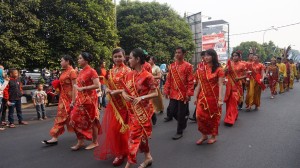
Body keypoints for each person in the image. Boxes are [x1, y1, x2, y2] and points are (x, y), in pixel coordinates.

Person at [121, 48, 158, 168]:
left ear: (137, 59)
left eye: (131, 58)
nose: (129, 60)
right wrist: (125, 95)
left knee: (133, 136)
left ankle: (129, 163)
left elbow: (155, 93)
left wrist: (142, 98)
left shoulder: (148, 76)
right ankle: (148, 157)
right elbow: (123, 90)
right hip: (132, 110)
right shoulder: (129, 75)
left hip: (143, 110)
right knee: (141, 136)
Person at [94, 48, 131, 167]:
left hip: (125, 105)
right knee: (114, 129)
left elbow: (130, 89)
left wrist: (117, 91)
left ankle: (126, 151)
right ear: (112, 58)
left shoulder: (128, 71)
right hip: (114, 105)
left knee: (124, 130)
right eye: (115, 57)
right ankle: (120, 152)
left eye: (120, 56)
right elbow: (107, 85)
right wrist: (108, 90)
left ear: (124, 57)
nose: (117, 59)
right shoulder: (110, 71)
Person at [42, 55, 77, 145]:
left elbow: (75, 87)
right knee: (61, 117)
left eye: (62, 61)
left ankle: (85, 133)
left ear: (68, 61)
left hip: (70, 99)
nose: (60, 62)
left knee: (75, 118)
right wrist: (57, 91)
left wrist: (74, 100)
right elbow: (62, 85)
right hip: (63, 98)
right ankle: (54, 137)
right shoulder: (64, 72)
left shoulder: (72, 72)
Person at [70, 52, 101, 150]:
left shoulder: (92, 71)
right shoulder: (81, 71)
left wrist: (83, 88)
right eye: (78, 58)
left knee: (92, 121)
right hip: (80, 100)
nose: (78, 60)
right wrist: (74, 99)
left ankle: (95, 142)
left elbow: (97, 85)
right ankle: (81, 141)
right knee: (74, 119)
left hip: (90, 100)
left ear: (86, 60)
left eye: (80, 58)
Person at [194, 49, 224, 144]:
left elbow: (220, 85)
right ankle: (204, 135)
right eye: (205, 55)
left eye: (208, 55)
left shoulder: (219, 69)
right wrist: (195, 97)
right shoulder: (201, 69)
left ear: (213, 57)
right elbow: (199, 84)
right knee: (199, 116)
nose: (206, 57)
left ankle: (213, 136)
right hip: (202, 97)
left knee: (212, 117)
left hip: (213, 98)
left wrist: (220, 99)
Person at [164, 47, 194, 140]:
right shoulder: (172, 66)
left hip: (183, 93)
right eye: (176, 52)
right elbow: (169, 79)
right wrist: (166, 90)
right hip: (173, 92)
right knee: (172, 111)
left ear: (184, 54)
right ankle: (183, 121)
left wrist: (189, 93)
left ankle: (179, 131)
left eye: (179, 53)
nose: (177, 54)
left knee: (181, 113)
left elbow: (190, 81)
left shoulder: (188, 66)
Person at [223, 52, 246, 126]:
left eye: (236, 56)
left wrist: (239, 78)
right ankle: (233, 115)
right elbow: (224, 74)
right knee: (229, 102)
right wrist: (225, 71)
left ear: (239, 57)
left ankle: (229, 120)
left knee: (233, 100)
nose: (234, 57)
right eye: (233, 56)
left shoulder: (242, 65)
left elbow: (246, 75)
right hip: (229, 84)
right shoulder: (229, 64)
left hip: (237, 85)